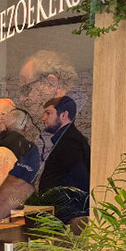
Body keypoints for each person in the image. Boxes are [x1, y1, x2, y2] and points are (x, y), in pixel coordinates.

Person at [0, 50, 78, 229]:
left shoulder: (66, 143)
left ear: (52, 82)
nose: (23, 99)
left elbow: (19, 193)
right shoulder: (52, 140)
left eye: (27, 88)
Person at [37, 96, 90, 225]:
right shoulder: (72, 140)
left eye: (48, 113)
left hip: (65, 222)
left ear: (64, 115)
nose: (43, 118)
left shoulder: (69, 144)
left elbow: (78, 183)